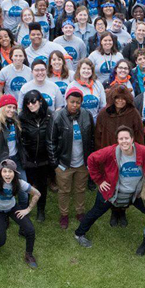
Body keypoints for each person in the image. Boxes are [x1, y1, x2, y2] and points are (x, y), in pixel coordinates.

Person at [75, 126, 145, 248]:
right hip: (111, 191)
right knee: (95, 213)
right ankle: (79, 234)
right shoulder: (110, 152)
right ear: (117, 140)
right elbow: (91, 159)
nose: (124, 141)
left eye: (126, 138)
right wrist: (100, 180)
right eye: (121, 139)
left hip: (137, 192)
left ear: (132, 139)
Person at [0, 159, 42, 269]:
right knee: (1, 239)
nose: (7, 174)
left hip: (12, 208)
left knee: (30, 230)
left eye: (10, 171)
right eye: (5, 171)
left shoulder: (18, 182)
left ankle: (29, 255)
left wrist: (27, 209)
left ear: (15, 173)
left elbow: (37, 193)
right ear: (0, 171)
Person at [49, 89, 95, 229]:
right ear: (66, 101)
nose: (75, 105)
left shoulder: (87, 115)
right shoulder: (57, 116)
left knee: (80, 189)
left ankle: (80, 212)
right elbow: (50, 141)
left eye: (78, 102)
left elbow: (92, 138)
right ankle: (64, 214)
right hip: (64, 163)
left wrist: (90, 160)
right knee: (64, 191)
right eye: (72, 102)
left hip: (82, 162)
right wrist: (55, 163)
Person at [18, 90, 53, 221]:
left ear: (40, 101)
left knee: (42, 185)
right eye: (27, 103)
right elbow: (19, 139)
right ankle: (25, 208)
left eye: (33, 102)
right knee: (28, 185)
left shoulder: (49, 115)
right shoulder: (22, 117)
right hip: (29, 158)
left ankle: (41, 211)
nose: (31, 105)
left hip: (44, 159)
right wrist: (24, 157)